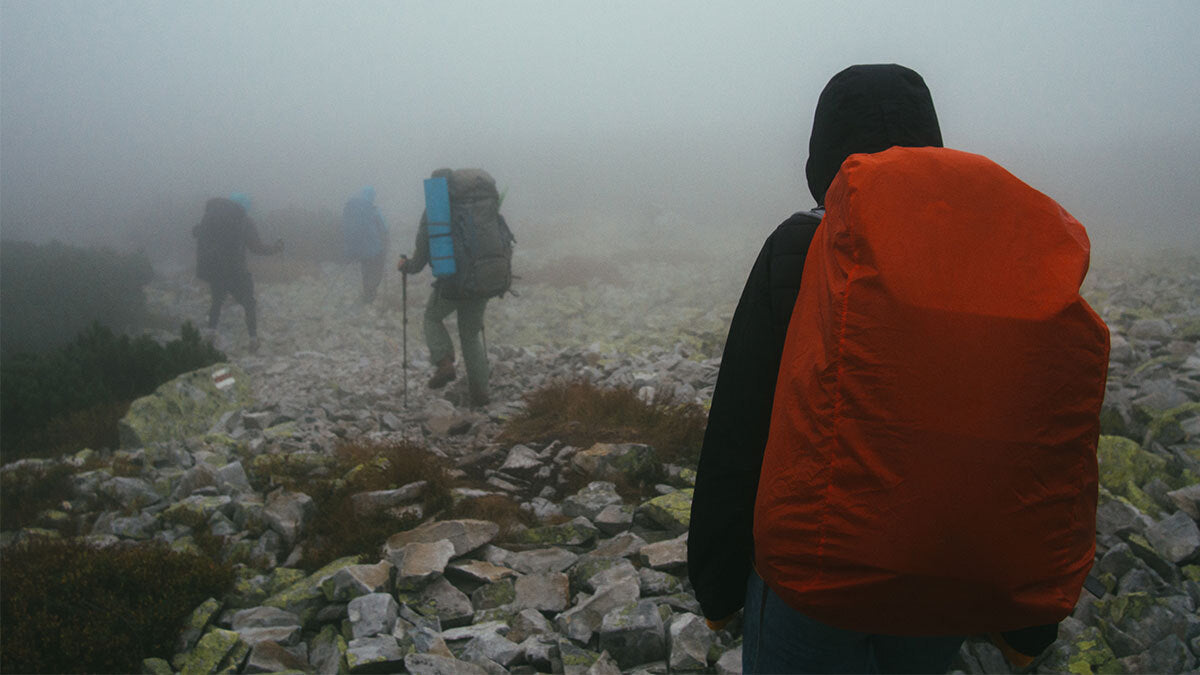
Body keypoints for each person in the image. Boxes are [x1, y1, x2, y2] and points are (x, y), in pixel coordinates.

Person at [688, 64, 1083, 674]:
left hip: (813, 576)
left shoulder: (800, 249)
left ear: (821, 157)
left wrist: (716, 581)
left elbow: (743, 424)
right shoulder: (988, 260)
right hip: (944, 569)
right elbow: (1040, 433)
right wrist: (1028, 623)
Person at [398, 168, 507, 407]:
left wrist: (406, 266)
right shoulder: (481, 206)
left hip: (454, 282)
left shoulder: (435, 210)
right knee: (470, 334)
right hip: (484, 277)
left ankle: (444, 361)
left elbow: (421, 256)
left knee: (431, 318)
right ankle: (481, 395)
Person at [193, 192, 283, 352]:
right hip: (235, 269)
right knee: (249, 302)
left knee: (217, 301)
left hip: (214, 269)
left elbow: (197, 233)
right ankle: (253, 339)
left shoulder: (212, 217)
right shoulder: (244, 220)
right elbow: (256, 248)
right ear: (245, 207)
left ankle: (210, 334)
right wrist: (276, 248)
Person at [342, 185, 388, 303]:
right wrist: (385, 243)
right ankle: (370, 295)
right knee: (376, 270)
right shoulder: (372, 210)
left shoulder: (352, 208)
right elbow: (384, 228)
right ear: (372, 195)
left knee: (366, 269)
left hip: (360, 248)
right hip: (375, 247)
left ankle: (367, 293)